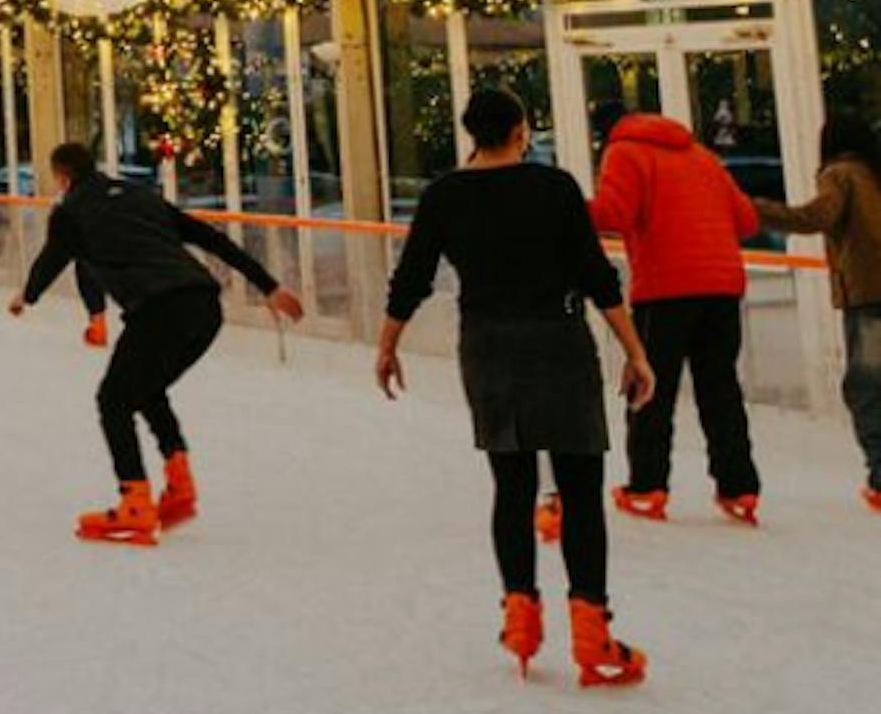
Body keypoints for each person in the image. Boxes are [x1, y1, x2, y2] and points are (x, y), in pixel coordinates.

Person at [377, 90, 657, 687]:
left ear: (471, 134)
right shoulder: (553, 188)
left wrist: (386, 344)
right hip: (558, 339)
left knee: (513, 484)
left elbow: (412, 278)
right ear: (522, 130)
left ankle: (521, 616)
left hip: (488, 346)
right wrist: (635, 350)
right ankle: (591, 625)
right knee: (579, 487)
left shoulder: (444, 196)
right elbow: (595, 274)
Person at [11, 141, 305, 546]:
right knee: (145, 389)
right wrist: (267, 286)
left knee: (113, 399)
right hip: (204, 306)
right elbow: (207, 236)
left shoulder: (70, 212)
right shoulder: (138, 195)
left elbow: (53, 258)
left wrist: (25, 295)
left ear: (62, 177)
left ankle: (134, 501)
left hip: (159, 310)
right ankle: (179, 483)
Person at [586, 101, 762, 523]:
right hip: (721, 287)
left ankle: (647, 486)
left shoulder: (624, 152)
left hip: (665, 288)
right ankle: (738, 486)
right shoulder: (701, 156)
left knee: (650, 388)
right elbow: (748, 220)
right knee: (720, 388)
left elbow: (614, 213)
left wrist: (567, 210)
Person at [753, 115, 881, 513]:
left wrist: (754, 209)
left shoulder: (841, 175)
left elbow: (816, 217)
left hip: (869, 294)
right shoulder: (875, 174)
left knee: (867, 385)